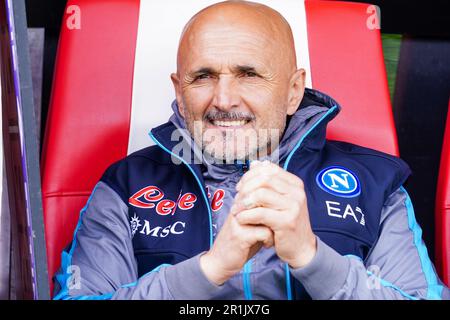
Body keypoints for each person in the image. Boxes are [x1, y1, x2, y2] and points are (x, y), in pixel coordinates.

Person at [53, 0, 448, 300]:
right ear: (178, 89)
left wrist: (313, 258)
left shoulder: (374, 184)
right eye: (203, 76)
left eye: (249, 75)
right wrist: (209, 270)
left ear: (294, 91)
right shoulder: (125, 185)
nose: (224, 99)